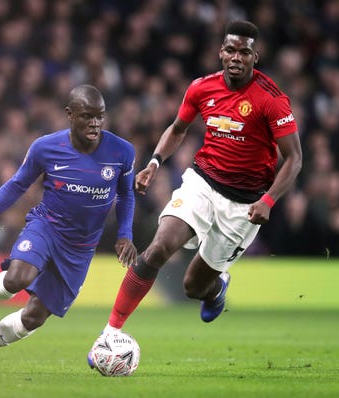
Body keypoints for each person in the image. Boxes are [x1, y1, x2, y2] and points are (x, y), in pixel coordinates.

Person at [89, 20, 302, 360]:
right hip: (202, 183)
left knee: (194, 286)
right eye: (230, 49)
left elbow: (294, 159)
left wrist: (269, 199)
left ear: (255, 57)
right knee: (157, 248)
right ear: (220, 52)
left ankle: (216, 289)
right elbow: (177, 129)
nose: (236, 57)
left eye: (244, 52)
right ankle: (110, 332)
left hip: (244, 206)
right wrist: (155, 163)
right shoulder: (202, 88)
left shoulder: (271, 99)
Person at [0, 84, 137, 374]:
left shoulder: (122, 151)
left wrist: (124, 235)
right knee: (18, 277)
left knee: (34, 318)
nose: (95, 123)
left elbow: (126, 194)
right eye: (87, 116)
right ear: (69, 115)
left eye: (100, 116)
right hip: (46, 227)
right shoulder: (46, 148)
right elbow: (16, 185)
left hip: (80, 248)